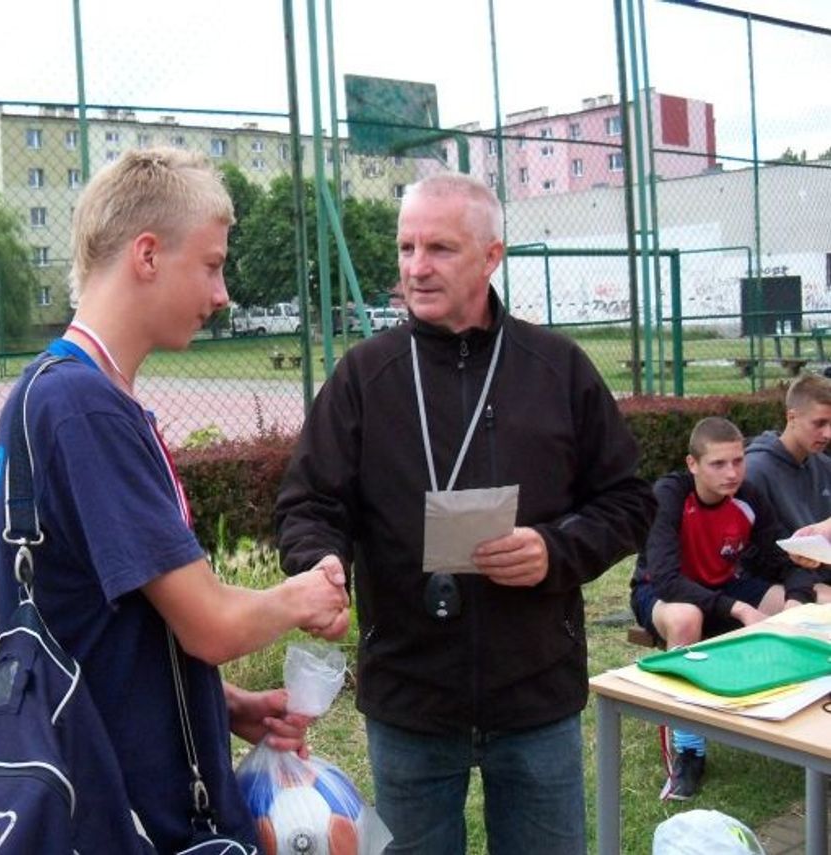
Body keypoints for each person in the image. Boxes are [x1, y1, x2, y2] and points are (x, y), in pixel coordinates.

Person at [275, 172, 655, 855]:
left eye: (440, 249)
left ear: (491, 255)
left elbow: (628, 500)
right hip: (409, 696)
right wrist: (320, 562)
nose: (415, 267)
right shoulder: (365, 376)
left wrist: (554, 549)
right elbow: (310, 502)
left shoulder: (558, 368)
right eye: (405, 247)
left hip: (535, 692)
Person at [0, 148, 350, 853]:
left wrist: (223, 706)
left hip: (102, 780)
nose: (222, 294)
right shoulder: (84, 408)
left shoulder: (54, 390)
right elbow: (209, 625)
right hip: (131, 809)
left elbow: (100, 624)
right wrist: (300, 596)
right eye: (212, 265)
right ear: (147, 254)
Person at [630, 416, 816, 800]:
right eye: (718, 464)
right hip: (663, 594)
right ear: (692, 464)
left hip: (724, 585)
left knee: (796, 602)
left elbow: (786, 558)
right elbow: (665, 579)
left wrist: (796, 601)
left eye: (738, 461)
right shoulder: (667, 496)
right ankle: (689, 751)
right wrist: (738, 610)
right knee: (687, 616)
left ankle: (788, 720)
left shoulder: (747, 495)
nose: (732, 473)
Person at [744, 374, 831, 602]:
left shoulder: (823, 464)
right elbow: (749, 555)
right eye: (819, 423)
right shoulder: (755, 472)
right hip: (781, 581)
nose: (828, 434)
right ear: (791, 417)